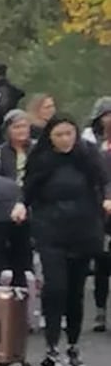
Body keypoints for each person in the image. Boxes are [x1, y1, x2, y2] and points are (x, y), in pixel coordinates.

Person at [22, 114, 111, 366]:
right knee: (55, 288)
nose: (65, 140)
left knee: (75, 291)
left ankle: (72, 344)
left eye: (69, 134)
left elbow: (103, 180)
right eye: (59, 135)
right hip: (51, 230)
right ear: (50, 137)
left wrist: (106, 198)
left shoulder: (88, 155)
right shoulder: (42, 159)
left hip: (83, 230)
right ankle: (51, 346)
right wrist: (20, 205)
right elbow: (29, 188)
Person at [82, 97, 111, 331]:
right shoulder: (89, 142)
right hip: (99, 208)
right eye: (107, 114)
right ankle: (100, 310)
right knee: (102, 262)